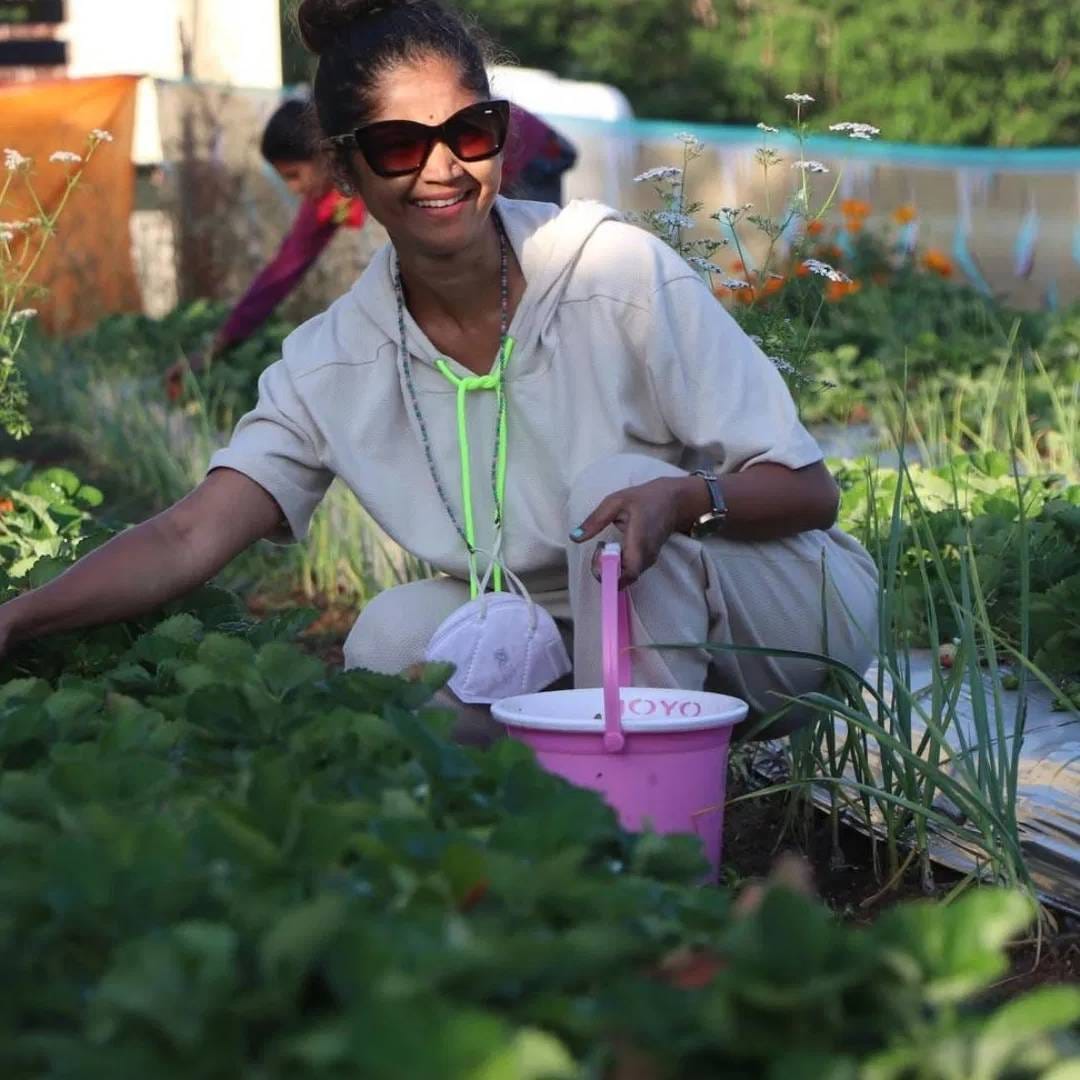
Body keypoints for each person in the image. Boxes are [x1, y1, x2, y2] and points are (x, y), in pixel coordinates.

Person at [0, 0, 877, 744]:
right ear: (344, 169)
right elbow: (188, 536)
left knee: (619, 495)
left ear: (500, 133)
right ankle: (560, 798)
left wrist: (685, 499)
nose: (443, 167)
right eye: (397, 146)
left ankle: (654, 837)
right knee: (392, 638)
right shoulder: (334, 360)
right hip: (574, 631)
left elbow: (807, 490)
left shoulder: (615, 275)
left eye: (469, 131)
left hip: (780, 618)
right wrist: (18, 620)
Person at [167, 90, 577, 386]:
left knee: (527, 274)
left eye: (294, 175)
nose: (294, 190)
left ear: (327, 157)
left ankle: (541, 374)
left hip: (530, 155)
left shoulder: (384, 157)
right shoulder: (334, 194)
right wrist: (222, 342)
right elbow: (285, 269)